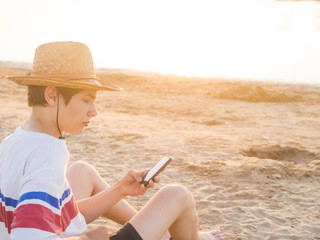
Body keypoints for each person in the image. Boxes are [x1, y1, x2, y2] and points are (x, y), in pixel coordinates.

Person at [0, 41, 224, 240]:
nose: (94, 112)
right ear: (51, 96)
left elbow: (44, 216)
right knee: (178, 195)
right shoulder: (47, 156)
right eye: (87, 100)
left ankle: (163, 232)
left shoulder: (13, 141)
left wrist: (120, 190)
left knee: (81, 171)